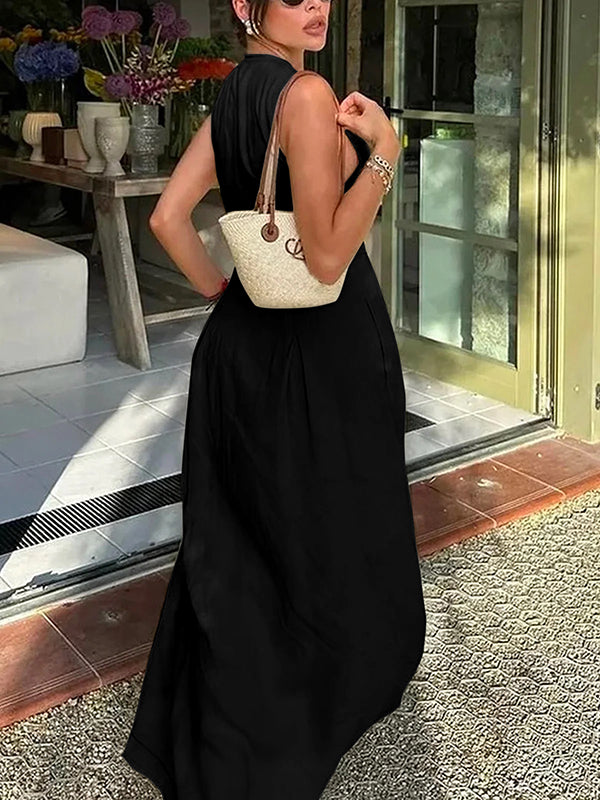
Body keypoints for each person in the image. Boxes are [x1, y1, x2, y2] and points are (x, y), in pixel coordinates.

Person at [122, 1, 427, 797]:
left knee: (246, 542)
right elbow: (326, 257)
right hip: (318, 356)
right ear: (243, 4)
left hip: (241, 350)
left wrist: (222, 291)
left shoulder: (232, 93)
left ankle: (223, 727)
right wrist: (385, 153)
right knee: (330, 527)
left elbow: (167, 218)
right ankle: (313, 708)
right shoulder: (306, 94)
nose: (315, 4)